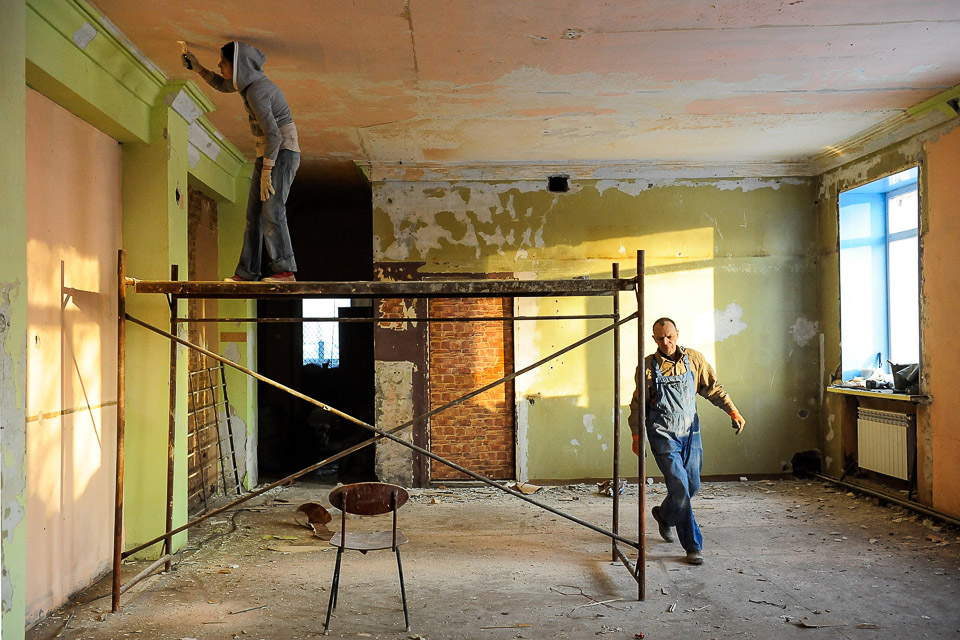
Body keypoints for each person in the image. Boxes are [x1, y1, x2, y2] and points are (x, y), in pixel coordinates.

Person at [628, 317, 746, 565]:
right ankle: (693, 546)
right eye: (660, 338)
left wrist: (732, 410)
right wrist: (636, 435)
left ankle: (665, 515)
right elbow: (638, 405)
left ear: (677, 334)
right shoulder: (647, 367)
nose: (666, 342)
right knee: (680, 487)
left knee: (692, 486)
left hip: (690, 432)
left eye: (670, 336)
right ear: (654, 339)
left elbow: (712, 388)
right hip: (662, 434)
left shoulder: (693, 359)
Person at [183, 41, 300, 282]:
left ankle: (286, 271)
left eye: (223, 62)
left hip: (282, 152)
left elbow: (275, 136)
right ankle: (247, 272)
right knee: (253, 215)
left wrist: (267, 172)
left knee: (272, 210)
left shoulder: (258, 92)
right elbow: (222, 84)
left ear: (238, 65)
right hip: (267, 153)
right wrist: (198, 68)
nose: (220, 65)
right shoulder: (248, 85)